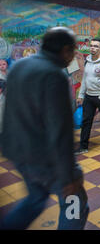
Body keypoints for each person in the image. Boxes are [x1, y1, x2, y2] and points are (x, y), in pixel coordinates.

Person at [0, 27, 89, 230]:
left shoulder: (20, 66)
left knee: (36, 199)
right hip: (46, 158)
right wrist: (68, 177)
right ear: (65, 50)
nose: (74, 56)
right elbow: (60, 131)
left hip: (19, 154)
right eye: (73, 51)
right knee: (74, 205)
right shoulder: (54, 75)